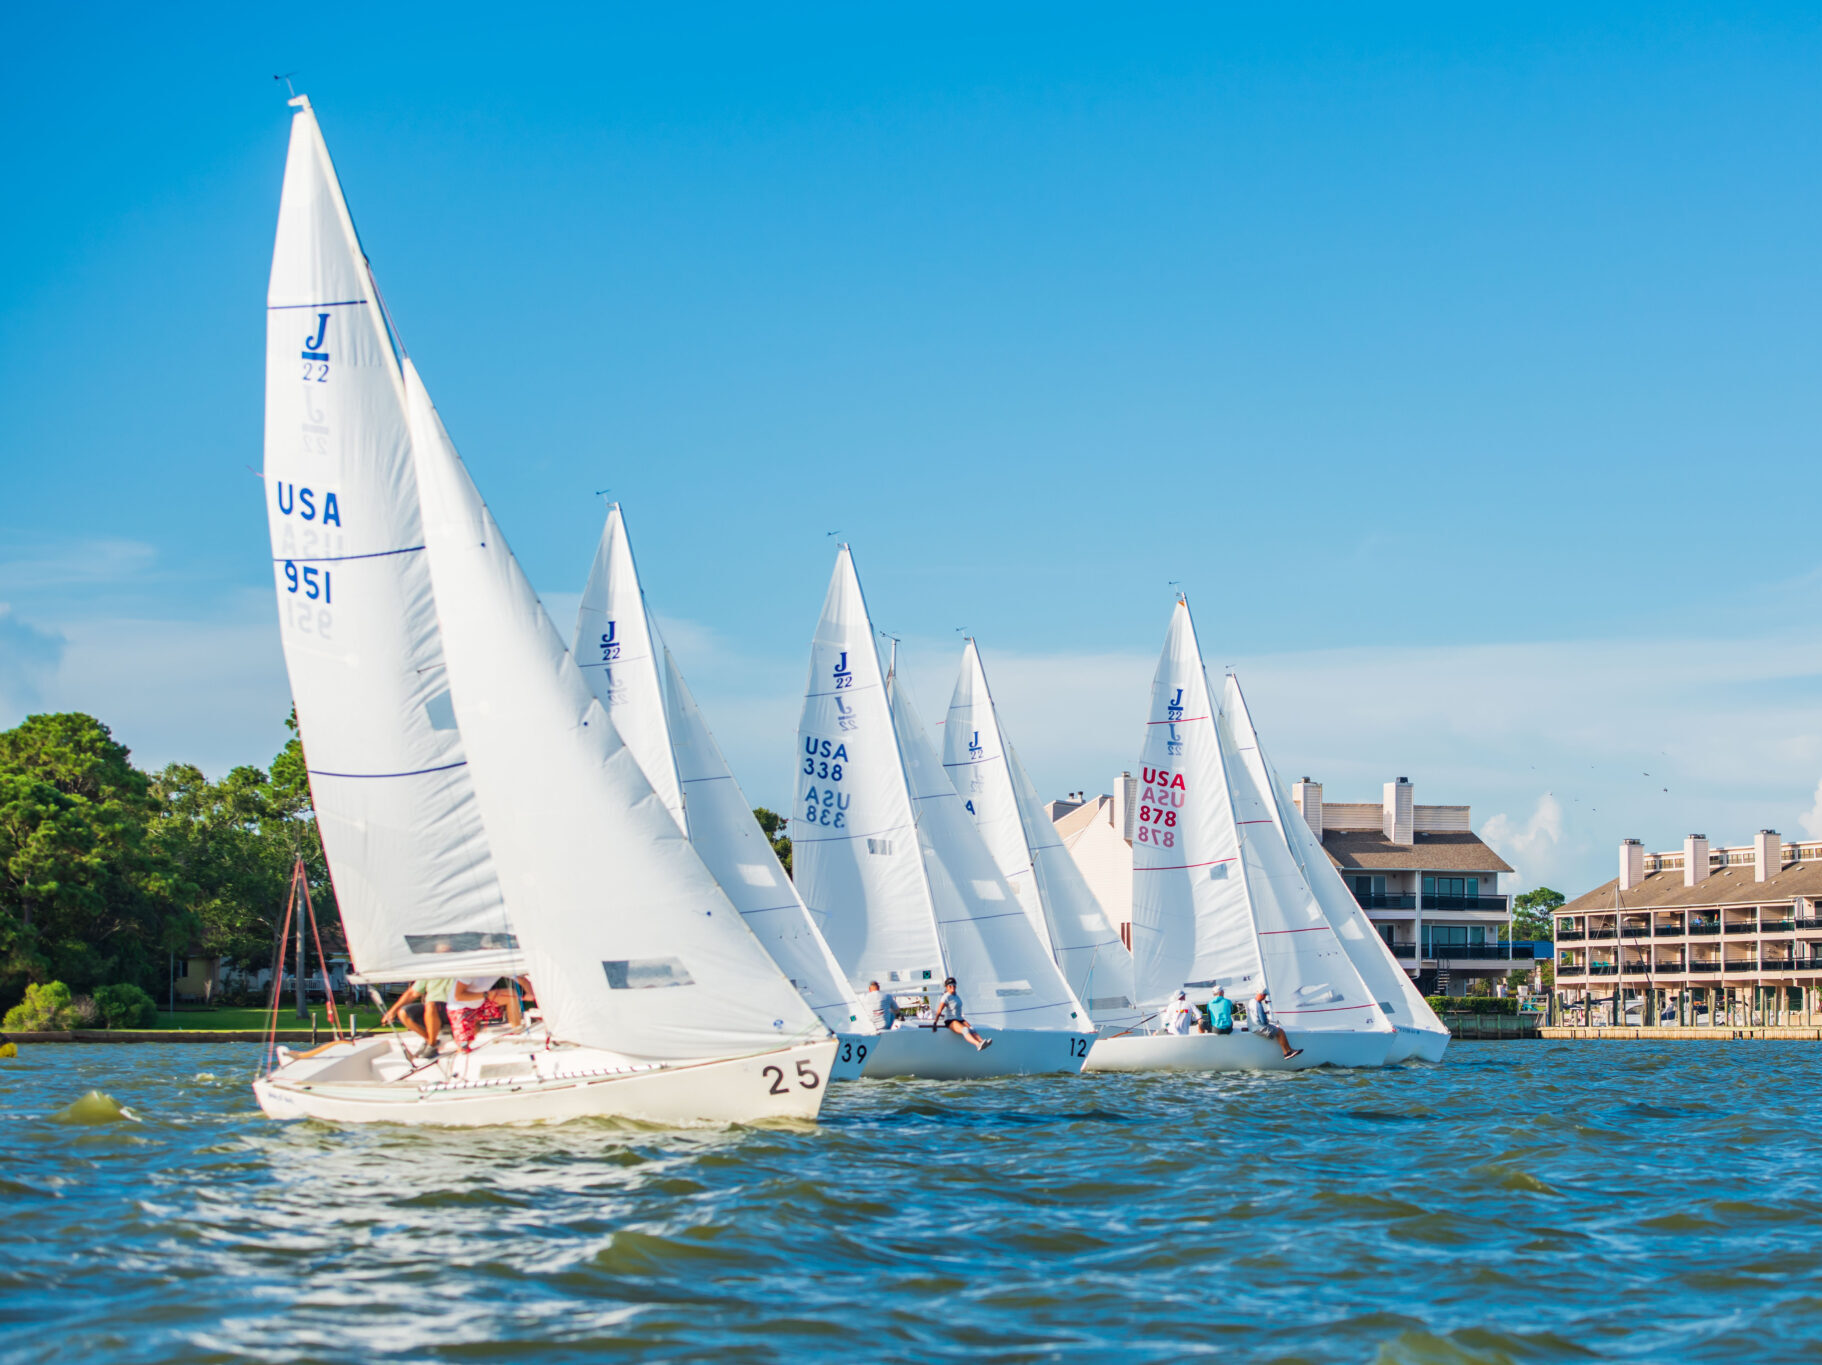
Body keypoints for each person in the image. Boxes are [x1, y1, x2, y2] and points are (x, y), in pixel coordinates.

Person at [382, 978, 450, 1060]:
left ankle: (431, 1045)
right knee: (403, 1012)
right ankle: (430, 1041)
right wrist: (392, 1011)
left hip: (454, 1009)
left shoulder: (460, 969)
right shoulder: (430, 972)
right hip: (432, 1009)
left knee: (432, 1005)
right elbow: (412, 993)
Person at [447, 977, 508, 1049]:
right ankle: (461, 1047)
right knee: (464, 1045)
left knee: (511, 995)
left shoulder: (496, 967)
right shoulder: (468, 974)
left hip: (478, 1003)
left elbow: (519, 978)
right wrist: (486, 995)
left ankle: (517, 1030)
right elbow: (458, 996)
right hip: (460, 1006)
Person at [932, 977, 992, 1051]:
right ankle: (977, 1044)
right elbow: (939, 1011)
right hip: (950, 1020)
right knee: (965, 1029)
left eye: (954, 985)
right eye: (950, 985)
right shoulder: (946, 997)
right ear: (947, 987)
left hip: (959, 1019)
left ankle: (982, 1041)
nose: (952, 987)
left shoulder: (956, 996)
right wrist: (935, 1023)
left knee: (972, 1029)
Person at [1246, 988, 1303, 1060]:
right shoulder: (1258, 1004)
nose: (1264, 997)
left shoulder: (1251, 1001)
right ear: (1260, 995)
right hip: (1259, 1028)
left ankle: (1289, 1051)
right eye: (1264, 995)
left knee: (1277, 1029)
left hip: (1252, 1027)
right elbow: (1263, 1022)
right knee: (1280, 1031)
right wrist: (1266, 1019)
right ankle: (1287, 1052)